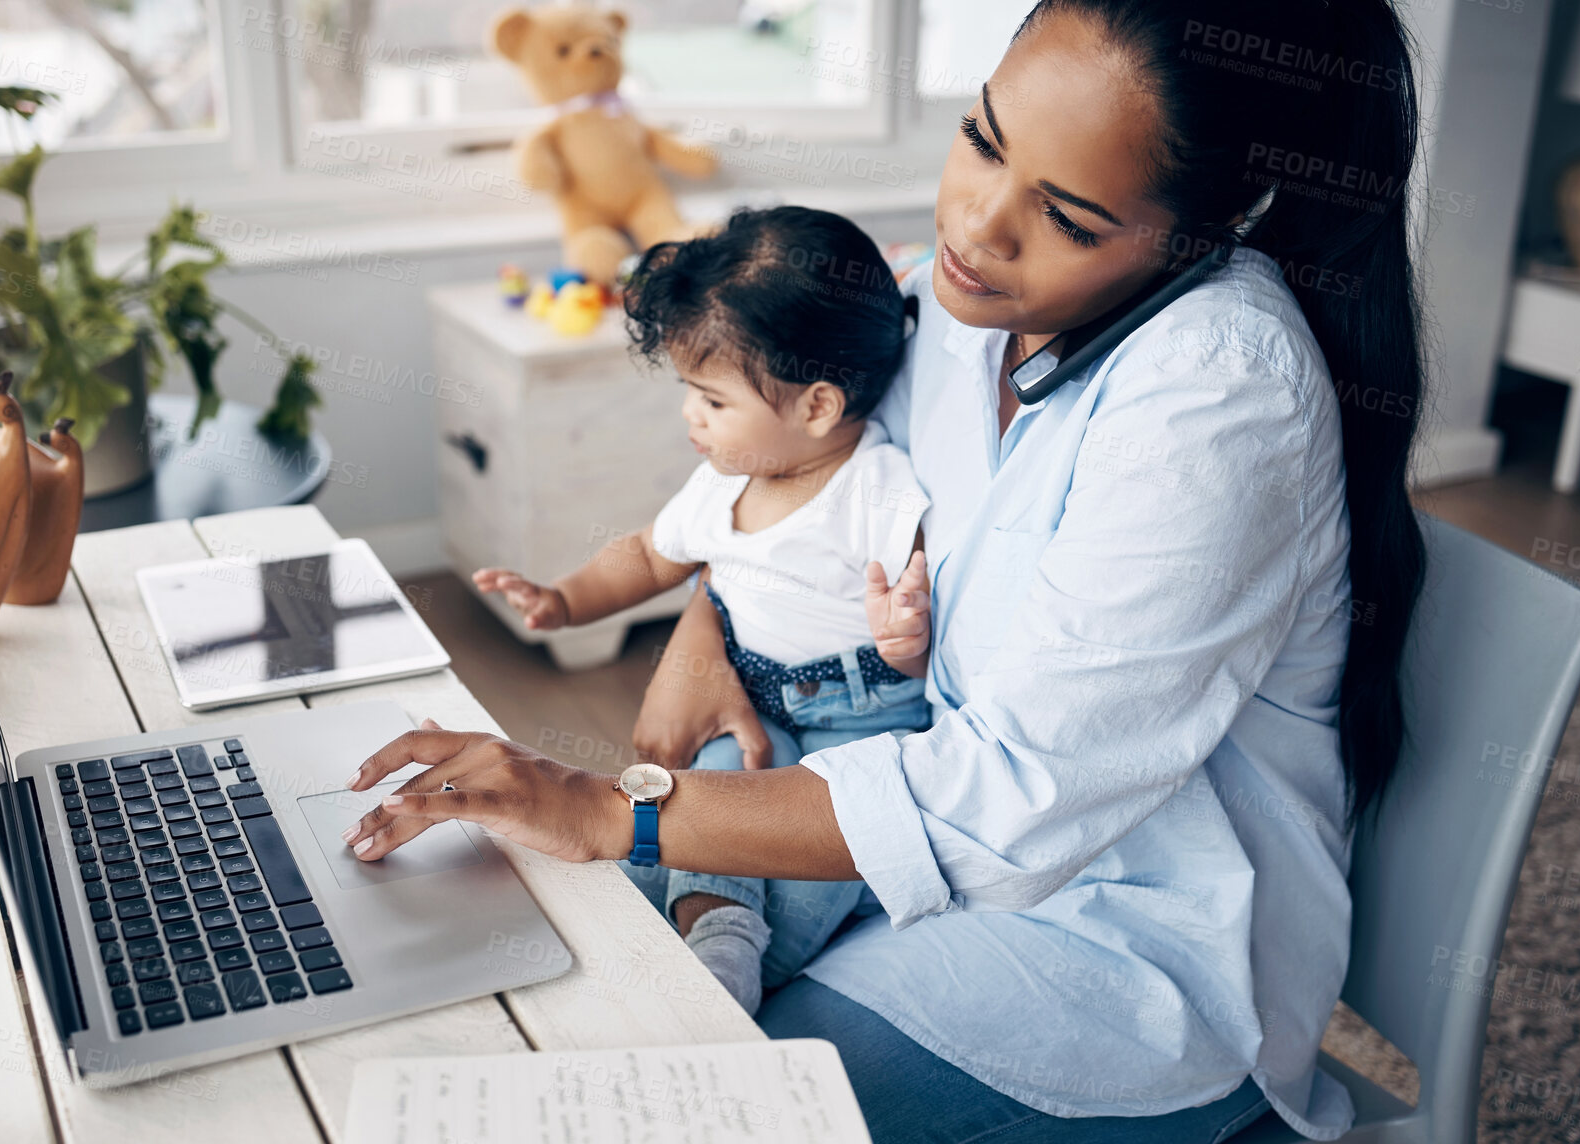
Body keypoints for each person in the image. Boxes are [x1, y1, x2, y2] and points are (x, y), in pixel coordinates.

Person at [340, 0, 1427, 1139]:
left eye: (1062, 214)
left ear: (1209, 226)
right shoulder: (961, 305)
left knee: (690, 1103)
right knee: (565, 984)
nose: (976, 224)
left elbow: (1012, 797)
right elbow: (821, 469)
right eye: (983, 138)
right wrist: (707, 620)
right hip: (913, 838)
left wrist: (606, 805)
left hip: (1119, 944)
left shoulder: (1220, 393)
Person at [467, 205, 935, 1014]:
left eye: (712, 401)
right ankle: (710, 933)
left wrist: (907, 643)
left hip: (860, 728)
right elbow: (648, 555)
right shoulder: (723, 479)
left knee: (801, 887)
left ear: (817, 406)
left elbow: (927, 614)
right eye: (690, 393)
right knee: (692, 807)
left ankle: (733, 963)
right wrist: (563, 600)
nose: (691, 416)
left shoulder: (875, 490)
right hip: (748, 709)